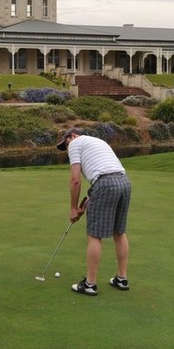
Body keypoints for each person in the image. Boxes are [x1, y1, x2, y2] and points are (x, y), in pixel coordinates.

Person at [56, 127, 131, 296]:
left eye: (65, 143)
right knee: (119, 232)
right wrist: (85, 204)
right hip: (124, 182)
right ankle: (122, 278)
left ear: (73, 136)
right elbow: (104, 174)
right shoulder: (98, 141)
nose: (67, 148)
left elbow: (75, 181)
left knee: (94, 235)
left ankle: (90, 284)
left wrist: (73, 209)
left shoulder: (75, 143)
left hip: (105, 184)